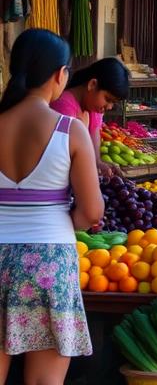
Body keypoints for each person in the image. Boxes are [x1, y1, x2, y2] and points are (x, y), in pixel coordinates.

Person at [0, 29, 104, 383]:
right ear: (61, 75)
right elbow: (92, 212)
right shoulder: (69, 130)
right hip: (49, 260)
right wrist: (60, 218)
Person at [50, 57, 130, 178]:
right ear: (92, 84)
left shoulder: (92, 108)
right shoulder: (63, 106)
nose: (109, 107)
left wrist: (98, 162)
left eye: (113, 103)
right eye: (108, 99)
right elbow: (64, 157)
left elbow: (94, 134)